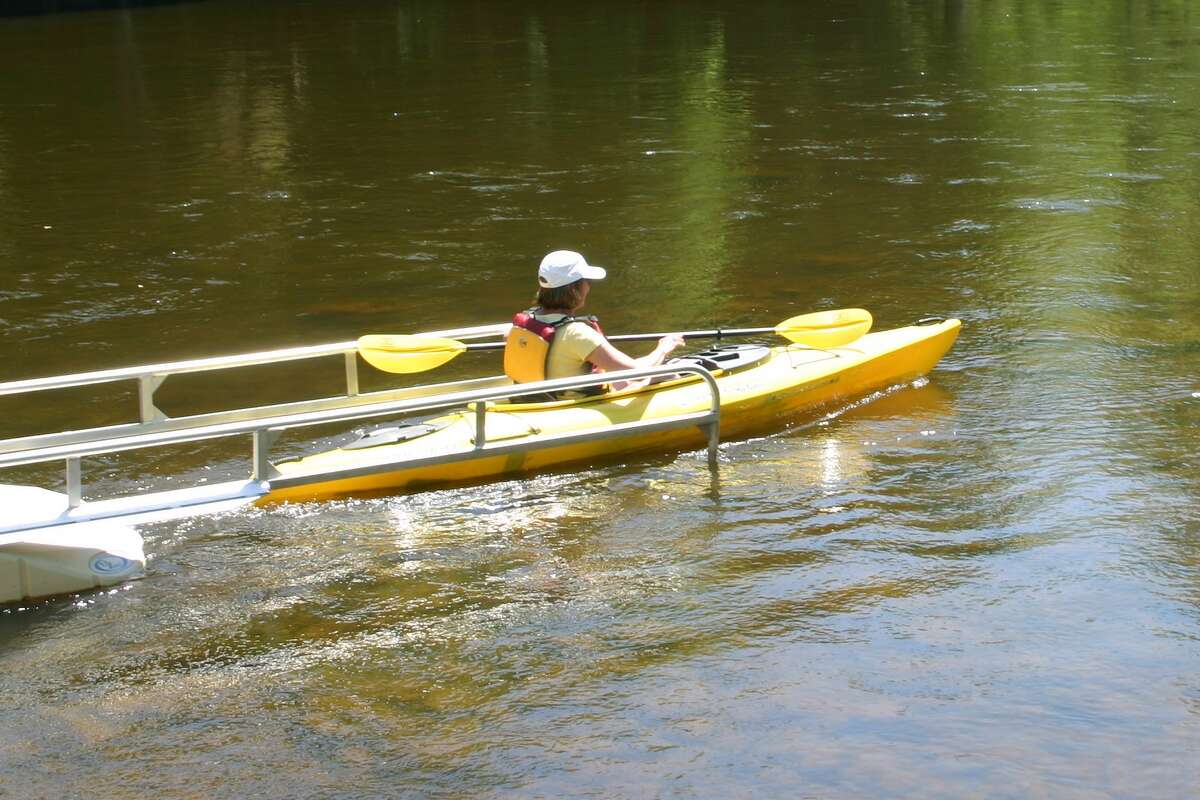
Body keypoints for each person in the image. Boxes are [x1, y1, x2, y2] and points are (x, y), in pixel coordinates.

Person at [504, 250, 684, 394]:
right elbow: (637, 372)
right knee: (668, 375)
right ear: (575, 290)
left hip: (541, 399)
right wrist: (663, 347)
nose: (589, 287)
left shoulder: (526, 320)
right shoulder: (577, 333)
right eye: (587, 281)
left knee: (618, 376)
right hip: (572, 409)